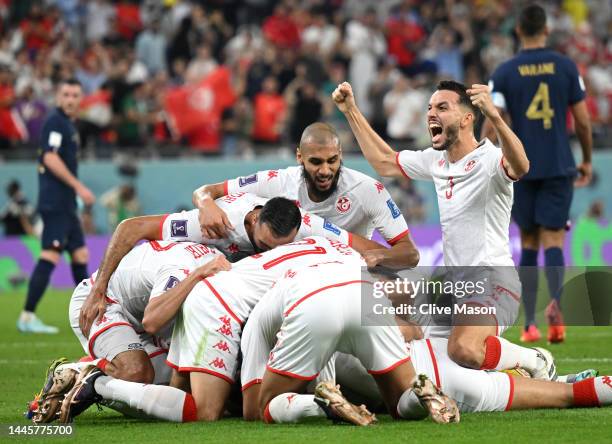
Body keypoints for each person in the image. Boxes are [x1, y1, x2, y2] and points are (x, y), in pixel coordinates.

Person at [331, 79, 556, 380]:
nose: (431, 114)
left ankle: (536, 359)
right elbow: (385, 162)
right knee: (403, 326)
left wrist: (495, 116)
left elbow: (522, 165)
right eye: (429, 108)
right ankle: (494, 375)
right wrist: (351, 111)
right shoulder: (436, 161)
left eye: (442, 107)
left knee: (463, 349)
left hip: (493, 281)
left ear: (467, 119)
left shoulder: (489, 161)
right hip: (454, 283)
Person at [78, 195, 390, 338]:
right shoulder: (216, 222)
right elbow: (132, 227)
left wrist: (404, 259)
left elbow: (369, 250)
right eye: (263, 246)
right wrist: (99, 288)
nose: (268, 253)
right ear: (254, 221)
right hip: (173, 284)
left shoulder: (307, 226)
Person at [482, 4, 593, 344]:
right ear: (546, 30)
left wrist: (482, 158)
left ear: (518, 32)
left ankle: (529, 323)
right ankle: (556, 311)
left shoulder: (504, 72)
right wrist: (586, 158)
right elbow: (583, 120)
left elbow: (492, 121)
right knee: (555, 240)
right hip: (559, 164)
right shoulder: (565, 66)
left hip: (521, 168)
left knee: (528, 242)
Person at [29, 240, 228, 423]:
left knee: (173, 394)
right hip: (102, 303)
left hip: (145, 317)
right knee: (135, 374)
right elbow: (152, 320)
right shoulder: (184, 271)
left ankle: (89, 383)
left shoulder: (221, 265)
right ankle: (82, 370)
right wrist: (197, 275)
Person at [192, 122, 417, 269]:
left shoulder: (368, 189)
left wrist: (379, 258)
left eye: (332, 161)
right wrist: (206, 204)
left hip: (347, 271)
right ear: (299, 157)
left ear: (340, 155)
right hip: (288, 273)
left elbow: (410, 254)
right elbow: (206, 190)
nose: (325, 171)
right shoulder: (279, 181)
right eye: (316, 162)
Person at [17, 79, 95, 334]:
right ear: (58, 98)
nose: (71, 99)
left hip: (66, 206)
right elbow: (49, 157)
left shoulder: (68, 126)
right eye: (66, 94)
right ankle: (27, 317)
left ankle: (91, 315)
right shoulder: (55, 122)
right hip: (55, 203)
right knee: (50, 255)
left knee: (80, 256)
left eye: (75, 94)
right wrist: (78, 187)